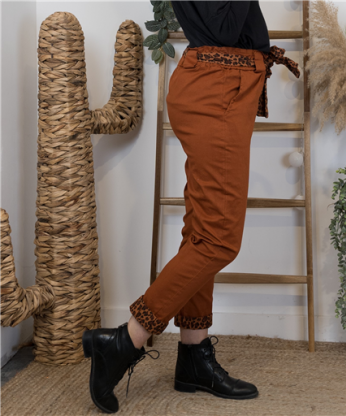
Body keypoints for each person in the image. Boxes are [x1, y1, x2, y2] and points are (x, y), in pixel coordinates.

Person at [82, 1, 300, 413]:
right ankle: (125, 340)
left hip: (220, 86)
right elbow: (224, 27)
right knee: (218, 240)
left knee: (204, 232)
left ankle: (193, 358)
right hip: (217, 89)